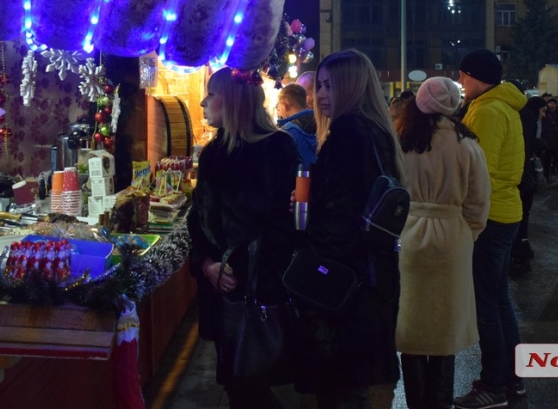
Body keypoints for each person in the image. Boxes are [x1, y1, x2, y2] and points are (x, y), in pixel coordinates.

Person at [295, 49, 406, 409]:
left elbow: (340, 216)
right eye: (320, 85)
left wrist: (309, 250)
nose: (320, 94)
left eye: (330, 86)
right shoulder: (376, 131)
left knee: (341, 389)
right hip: (373, 278)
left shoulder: (347, 133)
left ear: (351, 87)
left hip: (343, 285)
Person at [186, 67, 301, 408]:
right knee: (234, 379)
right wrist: (206, 264)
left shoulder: (278, 147)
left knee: (251, 382)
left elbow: (284, 225)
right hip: (221, 289)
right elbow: (199, 220)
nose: (204, 103)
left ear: (233, 100)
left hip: (259, 287)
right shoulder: (212, 154)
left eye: (211, 95)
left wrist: (242, 265)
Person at [394, 77, 490, 409]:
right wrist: (466, 235)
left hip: (408, 236)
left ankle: (416, 403)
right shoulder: (468, 146)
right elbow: (479, 206)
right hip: (452, 239)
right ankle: (441, 403)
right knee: (443, 330)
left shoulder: (402, 142)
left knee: (412, 329)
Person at [453, 48, 526, 409]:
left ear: (474, 76)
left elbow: (474, 171)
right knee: (499, 300)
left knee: (486, 304)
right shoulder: (505, 106)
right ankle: (512, 380)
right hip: (506, 211)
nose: (461, 84)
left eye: (463, 76)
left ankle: (493, 385)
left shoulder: (486, 111)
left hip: (489, 216)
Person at [510, 95, 547, 275]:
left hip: (521, 175)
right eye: (543, 111)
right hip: (523, 176)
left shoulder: (521, 118)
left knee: (521, 215)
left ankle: (520, 249)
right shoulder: (529, 121)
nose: (544, 115)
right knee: (522, 215)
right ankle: (520, 251)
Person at [276, 83, 317, 166]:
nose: (279, 110)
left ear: (285, 105)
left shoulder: (287, 132)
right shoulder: (321, 122)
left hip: (300, 177)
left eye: (279, 107)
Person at [540, 97, 558, 184]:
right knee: (547, 160)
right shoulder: (545, 114)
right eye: (550, 103)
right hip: (547, 140)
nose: (552, 105)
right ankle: (547, 175)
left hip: (556, 140)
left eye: (553, 103)